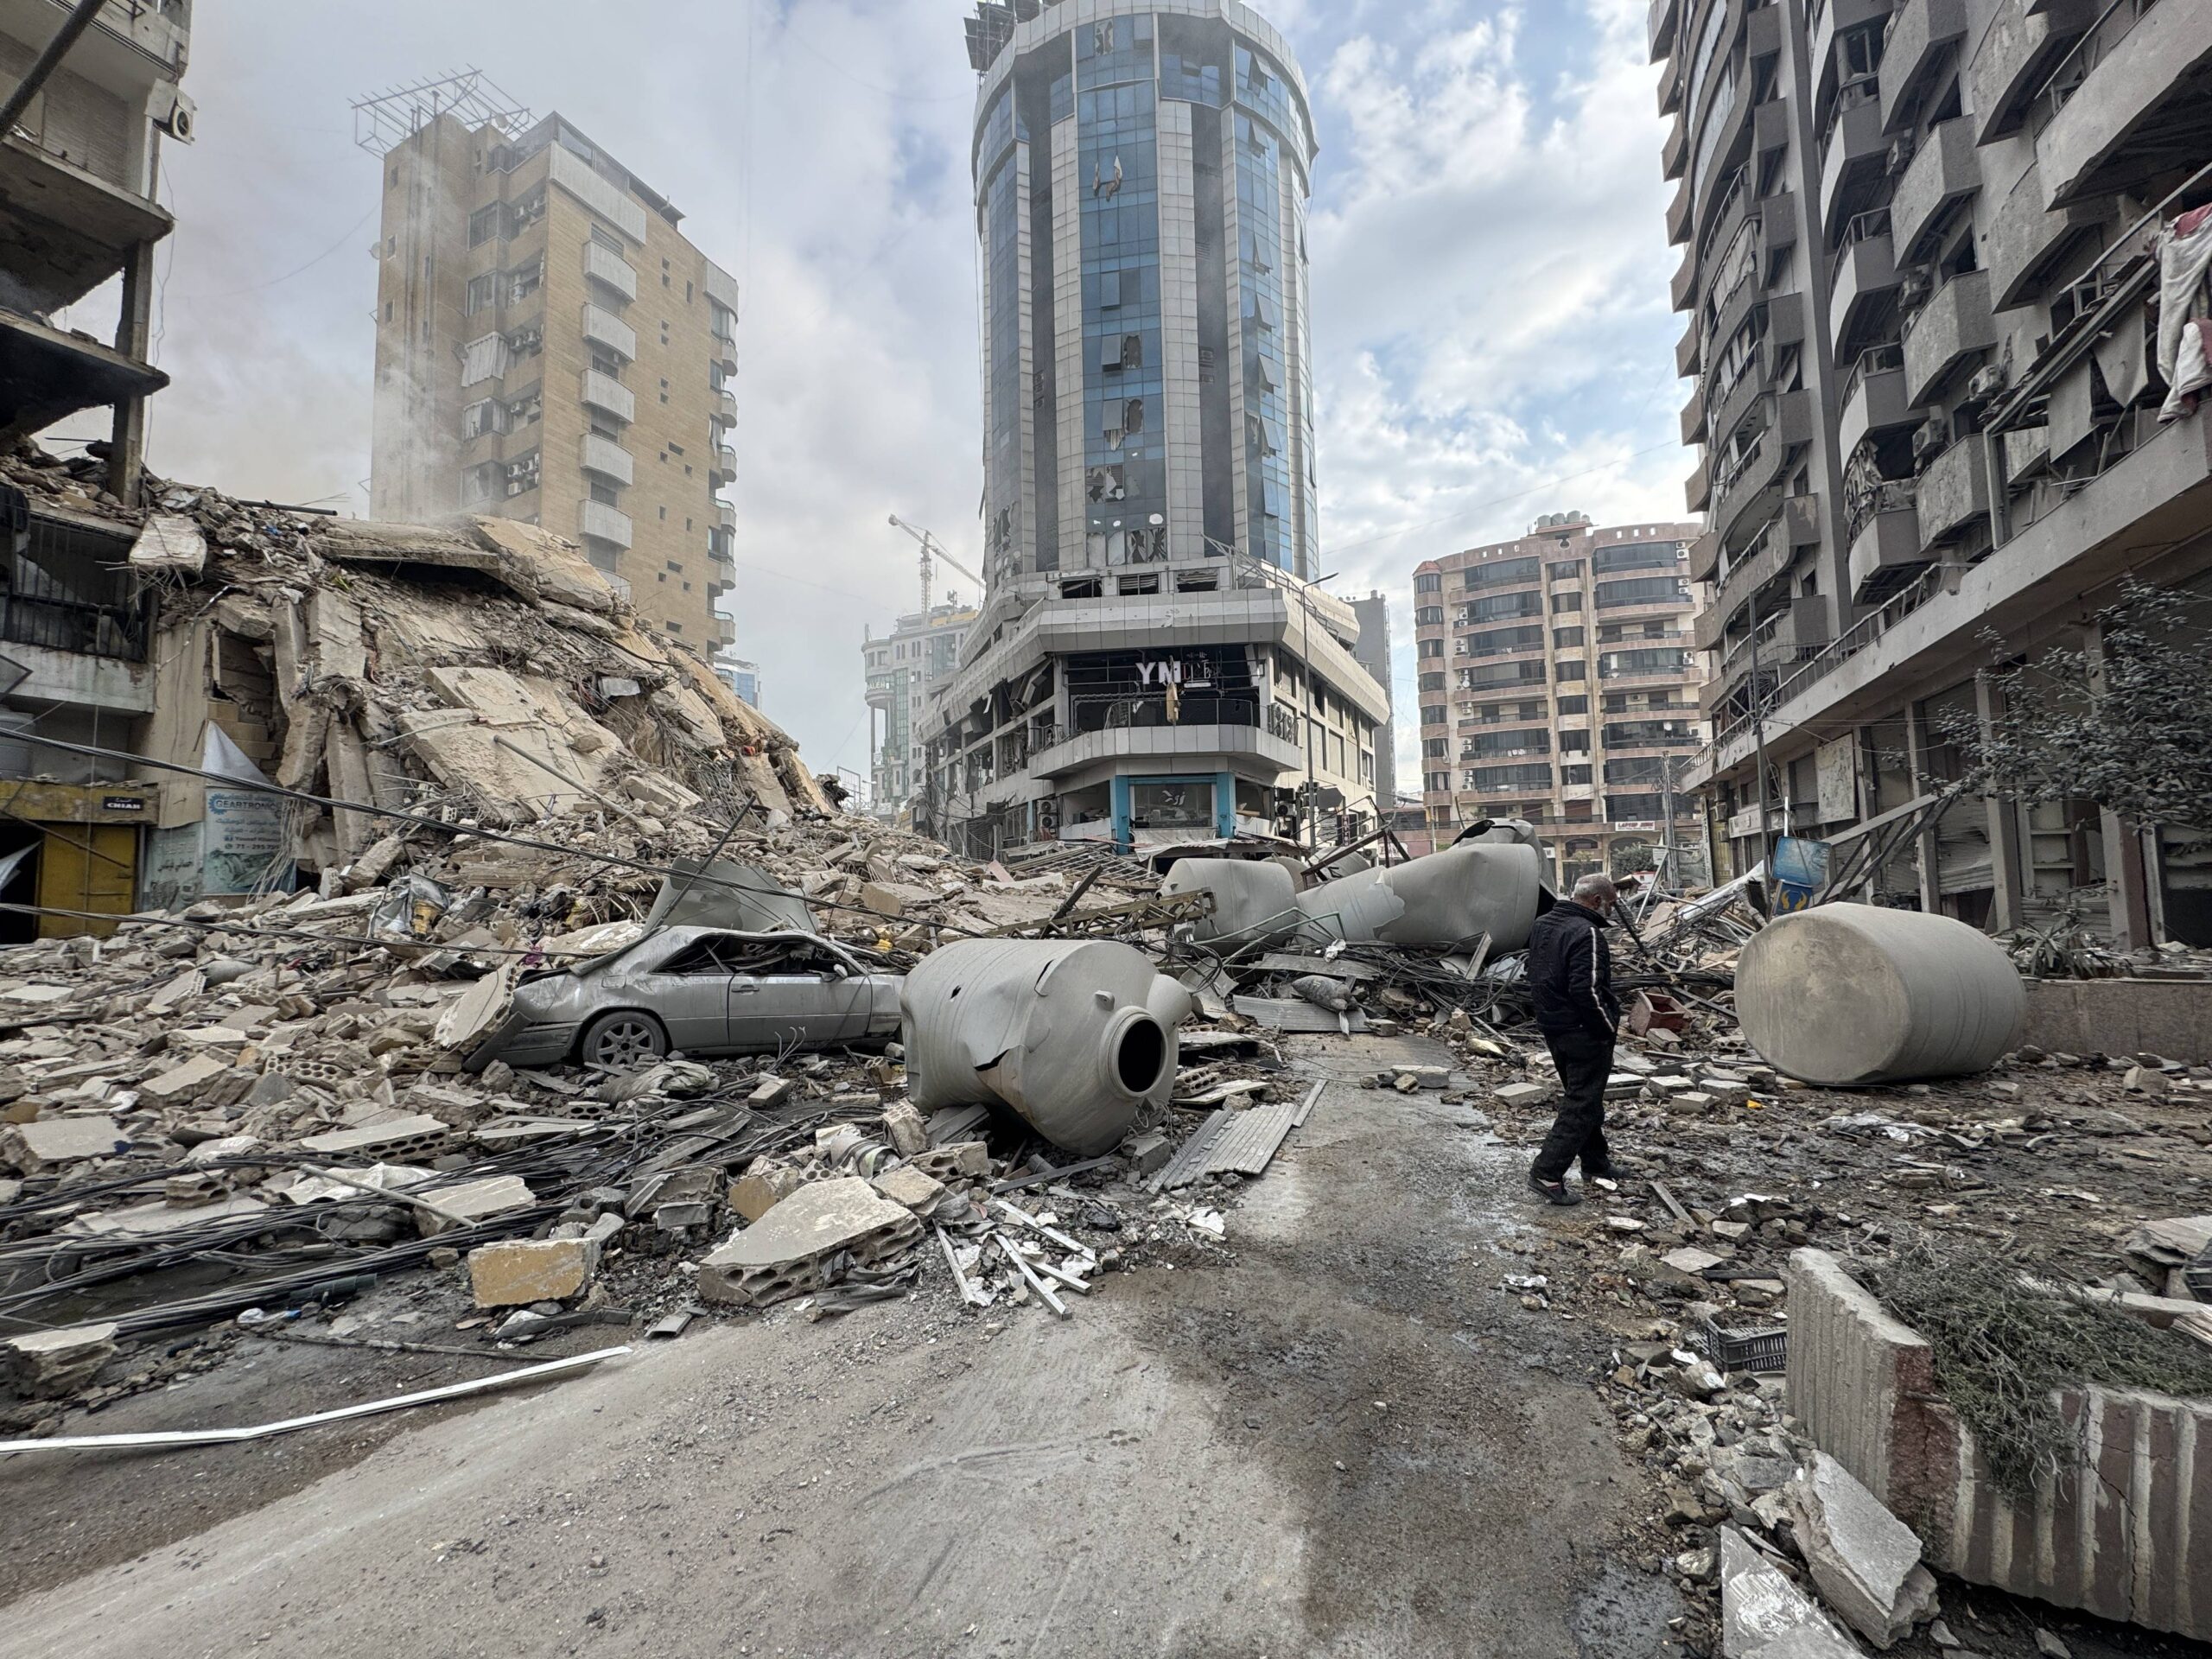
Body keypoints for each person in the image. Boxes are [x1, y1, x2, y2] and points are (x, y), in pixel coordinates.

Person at [1524, 872, 1623, 1205]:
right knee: (1581, 1103)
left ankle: (1596, 1164)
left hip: (1554, 1027)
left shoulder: (1543, 925)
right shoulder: (1587, 933)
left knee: (1586, 1097)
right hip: (1583, 1031)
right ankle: (1547, 1172)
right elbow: (1587, 989)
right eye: (1610, 905)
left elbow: (1534, 975)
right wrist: (1606, 1026)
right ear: (1596, 901)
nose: (1610, 911)